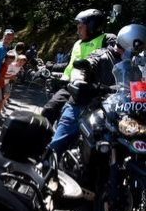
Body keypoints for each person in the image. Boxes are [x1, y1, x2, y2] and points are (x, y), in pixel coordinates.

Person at [46, 24, 146, 155]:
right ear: (129, 44)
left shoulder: (138, 64)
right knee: (61, 140)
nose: (140, 53)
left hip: (118, 112)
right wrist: (79, 79)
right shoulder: (102, 55)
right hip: (86, 105)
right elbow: (84, 66)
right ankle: (45, 164)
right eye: (139, 49)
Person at [41, 9, 117, 123]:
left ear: (92, 27)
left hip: (92, 90)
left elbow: (116, 57)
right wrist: (51, 67)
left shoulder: (107, 39)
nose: (77, 31)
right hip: (70, 86)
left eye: (80, 27)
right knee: (48, 110)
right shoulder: (78, 43)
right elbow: (69, 65)